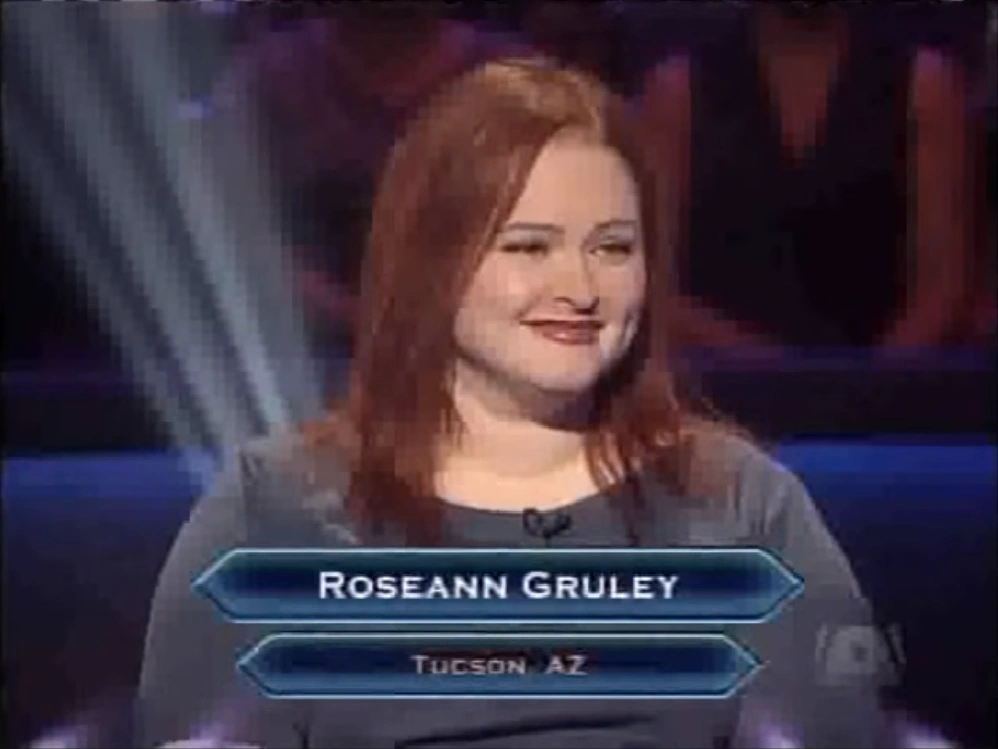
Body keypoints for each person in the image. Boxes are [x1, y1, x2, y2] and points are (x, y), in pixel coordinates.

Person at [140, 57, 890, 747]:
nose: (582, 288)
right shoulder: (275, 511)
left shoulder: (740, 504)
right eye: (530, 246)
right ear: (430, 261)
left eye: (613, 247)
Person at [201, 3, 529, 370]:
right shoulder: (267, 79)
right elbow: (227, 237)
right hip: (306, 354)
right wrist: (351, 316)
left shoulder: (515, 84)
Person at [639, 3, 973, 353]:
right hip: (715, 378)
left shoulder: (926, 89)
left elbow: (942, 291)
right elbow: (654, 289)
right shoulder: (675, 94)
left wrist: (869, 381)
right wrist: (770, 372)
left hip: (897, 380)